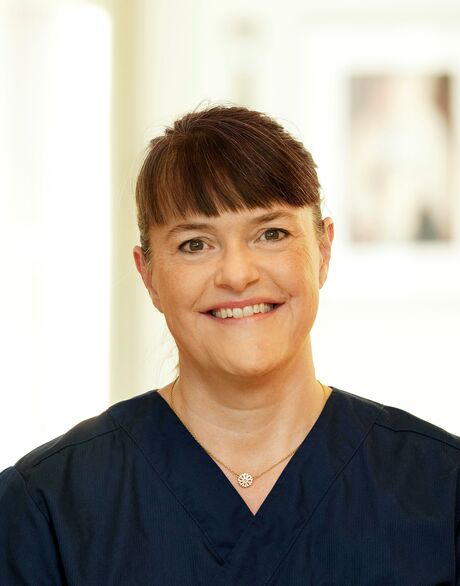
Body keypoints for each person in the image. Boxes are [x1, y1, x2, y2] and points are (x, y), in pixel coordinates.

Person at [0, 105, 459, 585]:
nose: (238, 275)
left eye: (271, 234)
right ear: (148, 274)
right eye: (195, 244)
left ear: (323, 251)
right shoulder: (47, 509)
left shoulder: (441, 490)